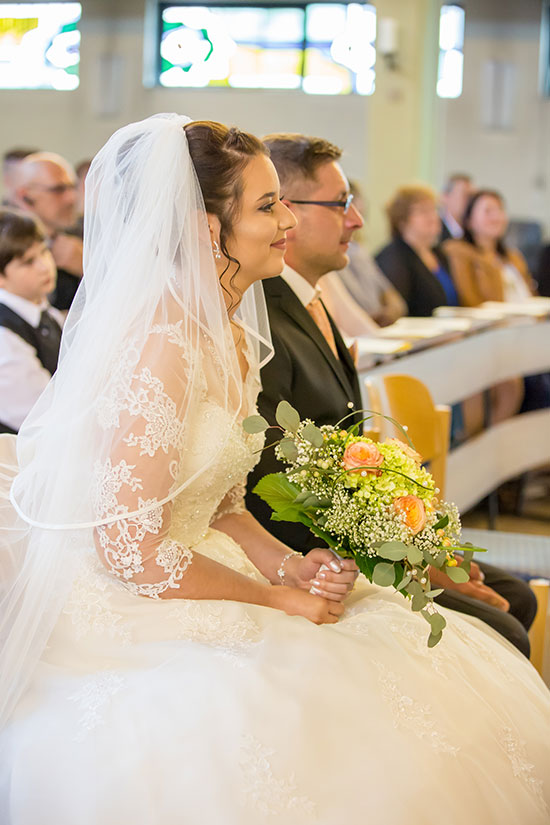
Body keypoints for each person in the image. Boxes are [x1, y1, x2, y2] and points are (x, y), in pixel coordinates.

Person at [0, 115, 548, 825]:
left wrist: (294, 564)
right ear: (205, 227)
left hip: (203, 559)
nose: (287, 219)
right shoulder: (159, 343)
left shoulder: (226, 329)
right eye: (267, 205)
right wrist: (273, 600)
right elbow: (131, 550)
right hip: (132, 597)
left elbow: (224, 506)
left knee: (409, 661)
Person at [246, 134, 536, 655]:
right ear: (288, 211)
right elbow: (273, 486)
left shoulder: (307, 297)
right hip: (310, 550)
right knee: (507, 623)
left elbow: (350, 453)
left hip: (351, 529)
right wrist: (410, 560)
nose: (357, 220)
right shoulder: (260, 317)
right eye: (340, 205)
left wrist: (429, 544)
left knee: (513, 596)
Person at [444, 190, 550, 413]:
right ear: (470, 219)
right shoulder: (459, 252)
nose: (497, 216)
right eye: (487, 211)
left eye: (500, 210)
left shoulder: (511, 256)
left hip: (527, 336)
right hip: (493, 339)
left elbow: (529, 295)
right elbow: (470, 300)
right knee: (516, 386)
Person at [0, 209, 63, 434]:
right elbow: (42, 416)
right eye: (28, 262)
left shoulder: (46, 312)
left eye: (44, 251)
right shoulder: (5, 336)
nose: (45, 266)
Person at [324, 181, 406, 328]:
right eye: (347, 207)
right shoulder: (328, 253)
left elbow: (391, 294)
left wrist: (391, 311)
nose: (359, 222)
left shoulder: (360, 251)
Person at [11, 152, 83, 310]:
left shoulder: (84, 236)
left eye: (72, 187)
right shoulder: (6, 242)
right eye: (59, 189)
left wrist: (87, 266)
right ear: (25, 196)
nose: (71, 198)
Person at [375, 184, 457, 316]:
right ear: (402, 220)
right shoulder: (393, 258)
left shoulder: (439, 254)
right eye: (423, 211)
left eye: (434, 209)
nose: (432, 217)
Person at [439, 173, 475, 242]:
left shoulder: (474, 234)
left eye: (472, 197)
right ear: (445, 197)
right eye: (465, 195)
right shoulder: (435, 231)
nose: (471, 201)